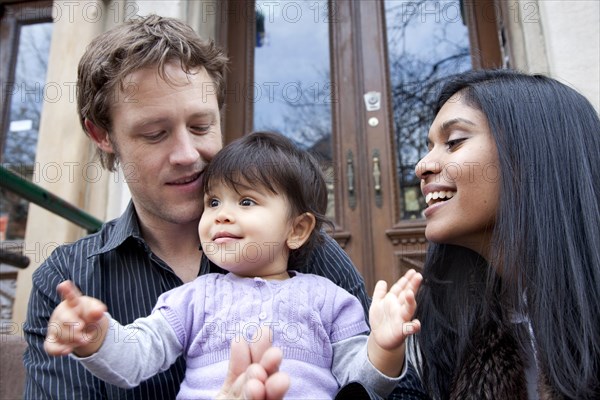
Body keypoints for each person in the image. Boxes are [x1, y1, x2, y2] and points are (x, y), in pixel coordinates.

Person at [23, 15, 371, 399]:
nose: (188, 155)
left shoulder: (306, 250)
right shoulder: (69, 280)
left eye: (202, 126)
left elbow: (392, 386)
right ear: (102, 135)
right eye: (155, 134)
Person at [44, 132, 423, 399]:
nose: (221, 216)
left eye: (245, 202)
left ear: (297, 228)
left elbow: (360, 383)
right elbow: (137, 356)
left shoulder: (330, 298)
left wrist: (384, 346)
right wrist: (98, 337)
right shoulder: (190, 299)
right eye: (212, 203)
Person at [390, 69, 599, 400]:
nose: (422, 166)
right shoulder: (451, 325)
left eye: (454, 142)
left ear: (533, 153)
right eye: (429, 147)